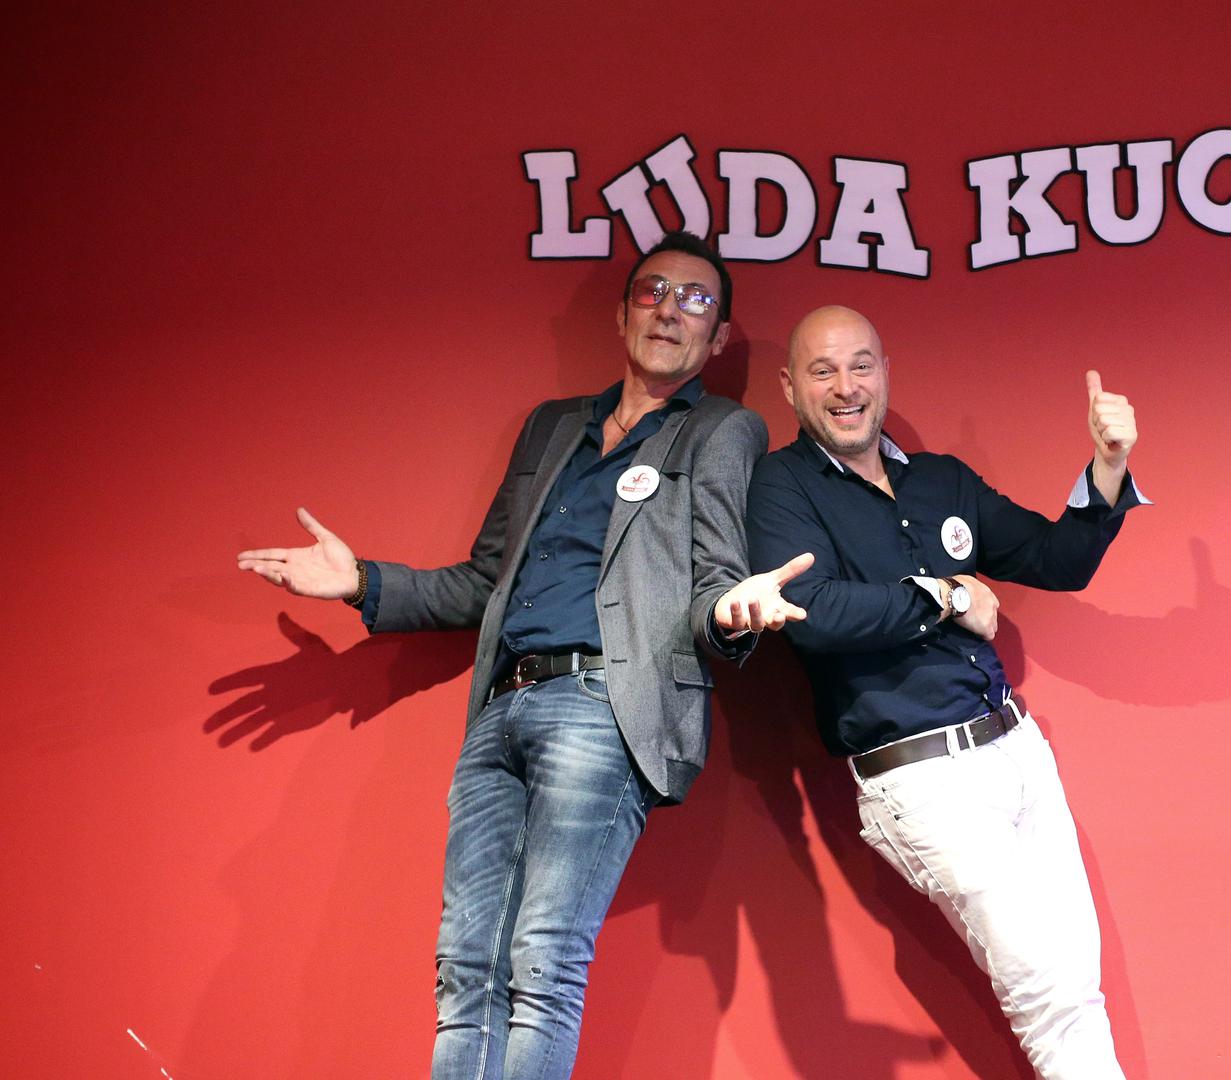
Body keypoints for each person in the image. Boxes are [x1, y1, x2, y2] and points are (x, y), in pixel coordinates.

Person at [236, 231, 809, 1080]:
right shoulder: (553, 427)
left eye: (695, 300)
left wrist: (732, 611)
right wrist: (360, 582)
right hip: (498, 709)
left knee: (542, 962)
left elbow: (714, 579)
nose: (669, 311)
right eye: (652, 292)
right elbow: (483, 582)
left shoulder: (721, 430)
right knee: (464, 968)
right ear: (621, 314)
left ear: (718, 336)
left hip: (602, 705)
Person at [746, 305, 1147, 1080]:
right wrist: (946, 595)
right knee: (1050, 996)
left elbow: (1056, 559)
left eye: (860, 365)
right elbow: (812, 613)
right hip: (922, 779)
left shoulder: (940, 480)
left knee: (1074, 988)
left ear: (884, 374)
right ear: (791, 389)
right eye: (822, 371)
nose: (845, 386)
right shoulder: (779, 485)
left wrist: (1106, 468)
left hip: (1018, 753)